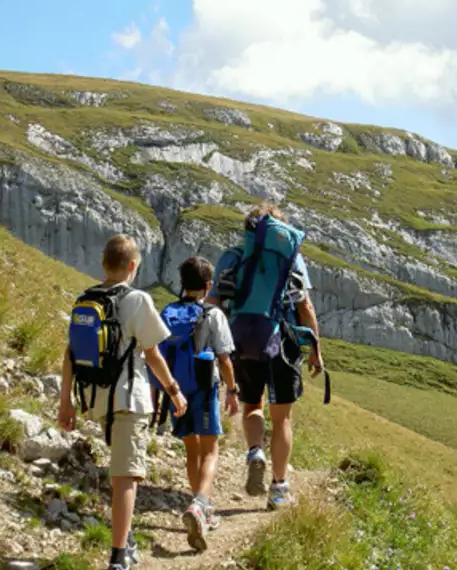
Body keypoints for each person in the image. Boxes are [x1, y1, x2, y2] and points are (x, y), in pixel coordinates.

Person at [58, 234, 187, 570]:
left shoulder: (85, 299)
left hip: (97, 398)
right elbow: (152, 353)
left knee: (121, 473)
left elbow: (70, 355)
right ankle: (118, 557)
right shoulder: (138, 299)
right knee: (126, 477)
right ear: (132, 266)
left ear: (104, 263)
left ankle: (124, 538)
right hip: (130, 398)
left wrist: (65, 403)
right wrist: (173, 390)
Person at [205, 203, 325, 510]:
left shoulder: (232, 256)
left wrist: (217, 344)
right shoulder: (291, 259)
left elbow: (214, 301)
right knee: (282, 416)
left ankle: (255, 451)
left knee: (252, 405)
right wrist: (316, 351)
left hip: (241, 338)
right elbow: (305, 307)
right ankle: (279, 487)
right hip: (280, 340)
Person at [153, 256, 240, 552]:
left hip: (176, 392)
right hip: (204, 390)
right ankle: (200, 505)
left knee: (191, 449)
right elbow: (225, 358)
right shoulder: (213, 314)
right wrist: (233, 389)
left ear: (182, 283)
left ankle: (200, 507)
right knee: (211, 449)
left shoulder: (168, 312)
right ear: (207, 285)